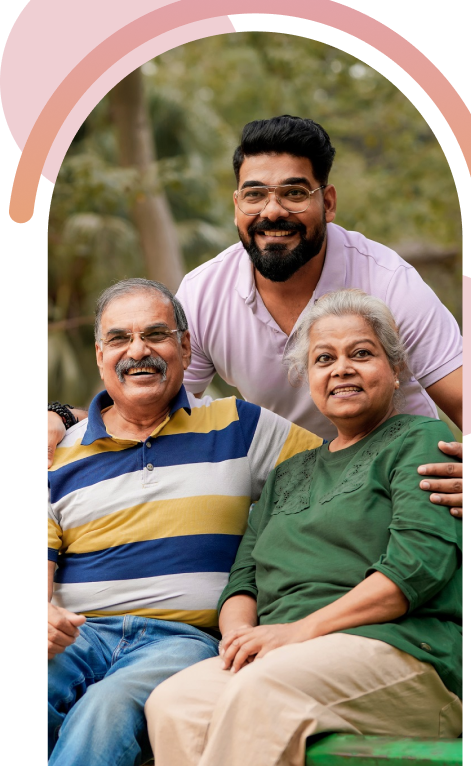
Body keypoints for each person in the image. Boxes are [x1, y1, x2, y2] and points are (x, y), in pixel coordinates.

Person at [47, 115, 463, 515]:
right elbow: (145, 410)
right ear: (236, 204)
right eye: (255, 194)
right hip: (294, 499)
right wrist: (64, 418)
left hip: (404, 483)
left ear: (328, 202)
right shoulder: (205, 293)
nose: (273, 211)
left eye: (295, 193)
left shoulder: (387, 281)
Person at [145, 289, 463, 766]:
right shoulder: (289, 473)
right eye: (324, 358)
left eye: (361, 353)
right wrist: (239, 640)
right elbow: (243, 580)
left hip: (403, 654)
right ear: (308, 378)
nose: (341, 368)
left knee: (263, 691)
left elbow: (413, 571)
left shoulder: (420, 440)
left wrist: (298, 632)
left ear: (396, 370)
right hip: (285, 657)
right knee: (175, 703)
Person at [47, 278, 323, 766]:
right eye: (119, 338)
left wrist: (422, 464)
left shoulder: (240, 425)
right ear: (99, 354)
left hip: (181, 641)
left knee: (102, 710)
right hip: (80, 633)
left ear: (185, 345)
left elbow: (341, 466)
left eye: (156, 334)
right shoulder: (58, 453)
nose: (138, 351)